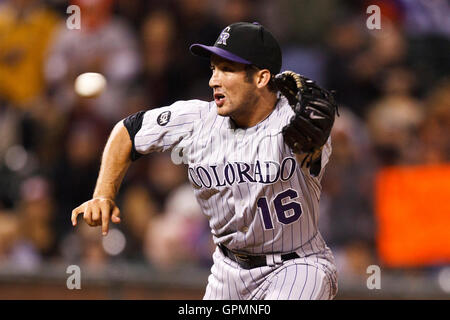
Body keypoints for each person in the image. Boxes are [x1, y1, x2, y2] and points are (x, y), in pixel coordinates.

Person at [71, 22, 338, 300]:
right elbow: (128, 131)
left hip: (296, 266)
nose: (214, 80)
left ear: (260, 78)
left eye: (227, 69)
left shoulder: (296, 125)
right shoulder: (198, 120)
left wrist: (316, 146)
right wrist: (103, 193)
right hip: (228, 269)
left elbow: (318, 148)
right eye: (213, 68)